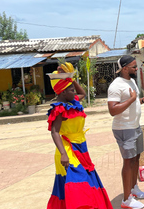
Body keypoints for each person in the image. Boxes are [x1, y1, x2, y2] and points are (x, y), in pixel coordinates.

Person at [47, 68, 113, 209]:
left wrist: (71, 78)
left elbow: (82, 93)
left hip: (80, 147)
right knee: (78, 181)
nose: (74, 92)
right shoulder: (59, 109)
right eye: (71, 89)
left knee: (82, 181)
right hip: (67, 149)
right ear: (63, 92)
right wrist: (63, 154)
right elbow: (54, 132)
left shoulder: (72, 101)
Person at [107, 55, 144, 209]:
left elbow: (132, 100)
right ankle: (126, 201)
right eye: (133, 66)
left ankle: (133, 188)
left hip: (135, 126)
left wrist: (141, 101)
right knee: (128, 161)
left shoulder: (131, 81)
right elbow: (112, 110)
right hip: (124, 128)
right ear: (124, 68)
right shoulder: (116, 85)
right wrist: (133, 100)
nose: (136, 68)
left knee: (135, 159)